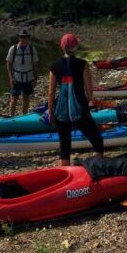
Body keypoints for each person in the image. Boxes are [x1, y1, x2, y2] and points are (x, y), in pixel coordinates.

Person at [47, 33, 103, 166]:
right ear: (75, 47)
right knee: (96, 139)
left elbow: (51, 92)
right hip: (80, 108)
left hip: (61, 110)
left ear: (62, 47)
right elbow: (89, 89)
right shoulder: (82, 64)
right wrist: (90, 100)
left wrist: (50, 112)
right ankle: (97, 166)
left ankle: (67, 176)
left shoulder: (54, 66)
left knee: (65, 145)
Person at [7, 29, 39, 116]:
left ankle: (24, 116)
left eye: (25, 37)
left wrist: (35, 78)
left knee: (26, 99)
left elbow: (35, 64)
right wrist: (10, 77)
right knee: (14, 99)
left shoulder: (32, 49)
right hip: (16, 78)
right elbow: (9, 63)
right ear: (19, 38)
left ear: (28, 38)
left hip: (28, 78)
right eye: (21, 37)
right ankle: (11, 116)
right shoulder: (13, 49)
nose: (23, 39)